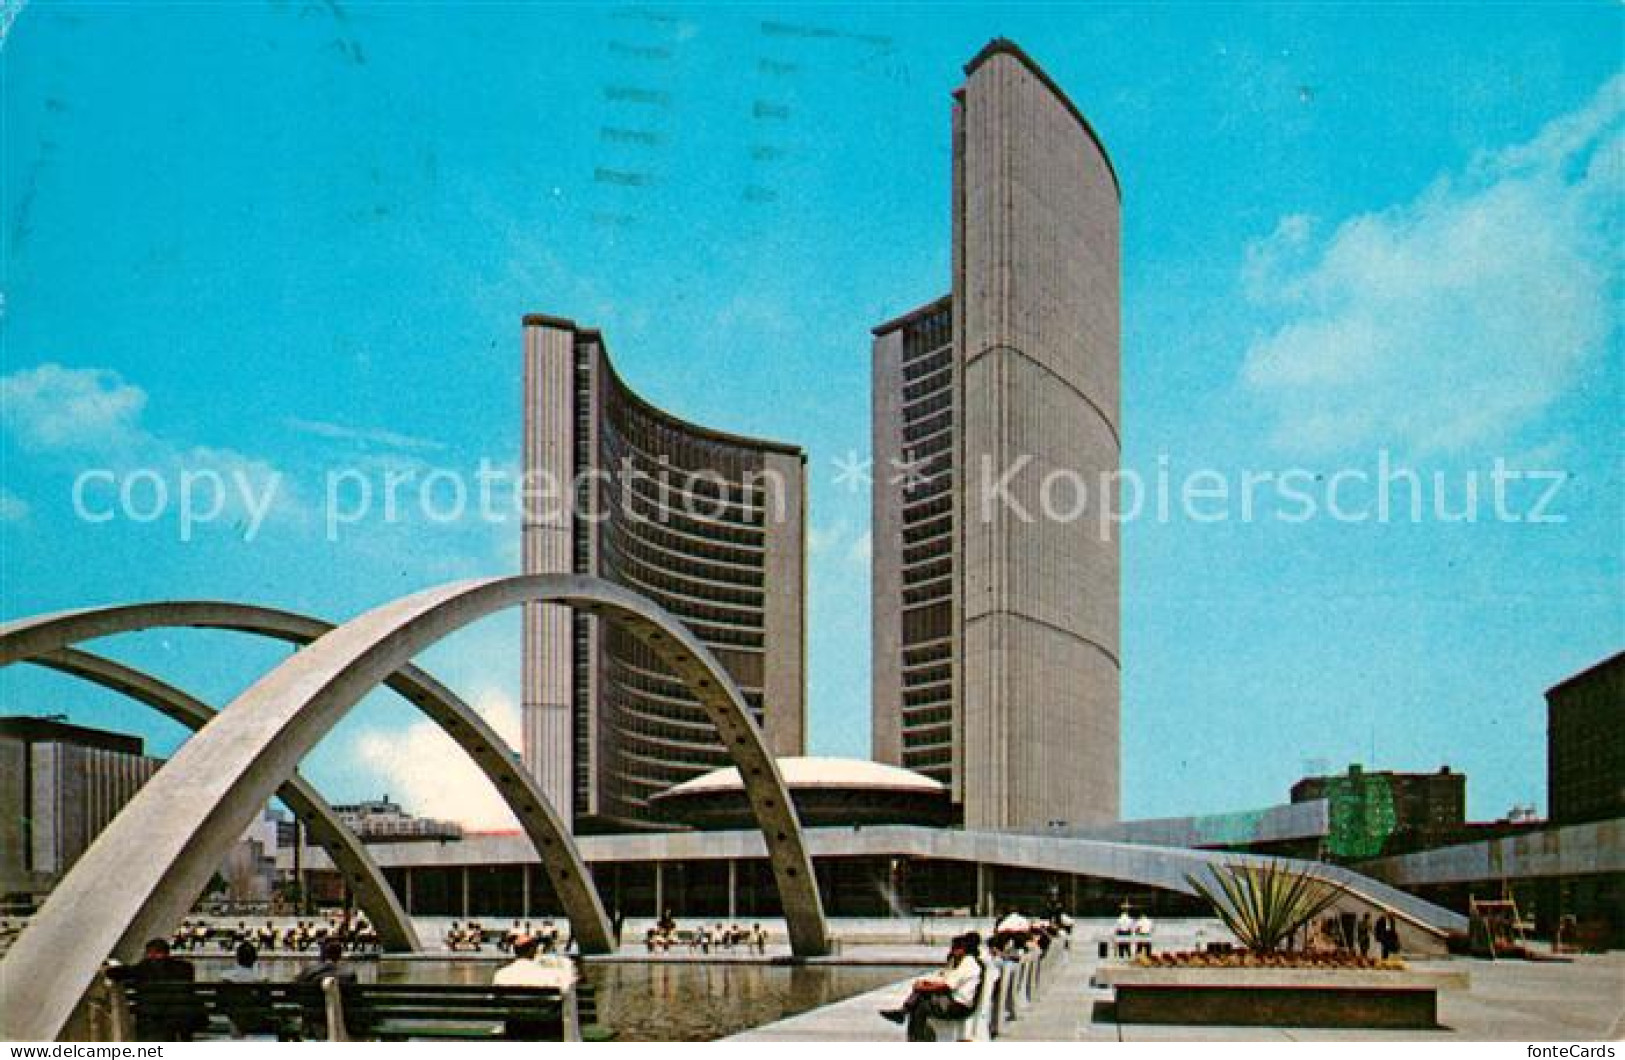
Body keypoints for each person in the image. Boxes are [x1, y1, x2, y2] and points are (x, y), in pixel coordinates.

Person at [879, 933, 983, 1041]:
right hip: (953, 1000)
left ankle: (913, 1033)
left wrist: (923, 988)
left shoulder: (968, 963)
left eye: (954, 948)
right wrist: (926, 984)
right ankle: (907, 1020)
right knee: (921, 995)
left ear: (962, 949)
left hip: (959, 1006)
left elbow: (946, 986)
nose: (952, 951)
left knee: (920, 1005)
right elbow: (946, 981)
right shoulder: (963, 962)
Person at [105, 939, 201, 1040]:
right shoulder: (185, 967)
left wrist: (107, 969)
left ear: (150, 953)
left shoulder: (145, 967)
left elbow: (116, 973)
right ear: (167, 952)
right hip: (183, 1017)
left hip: (151, 1018)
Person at [492, 934, 577, 1040]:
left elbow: (494, 998)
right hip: (544, 1025)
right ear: (533, 950)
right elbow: (561, 995)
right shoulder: (548, 974)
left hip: (515, 1026)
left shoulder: (501, 974)